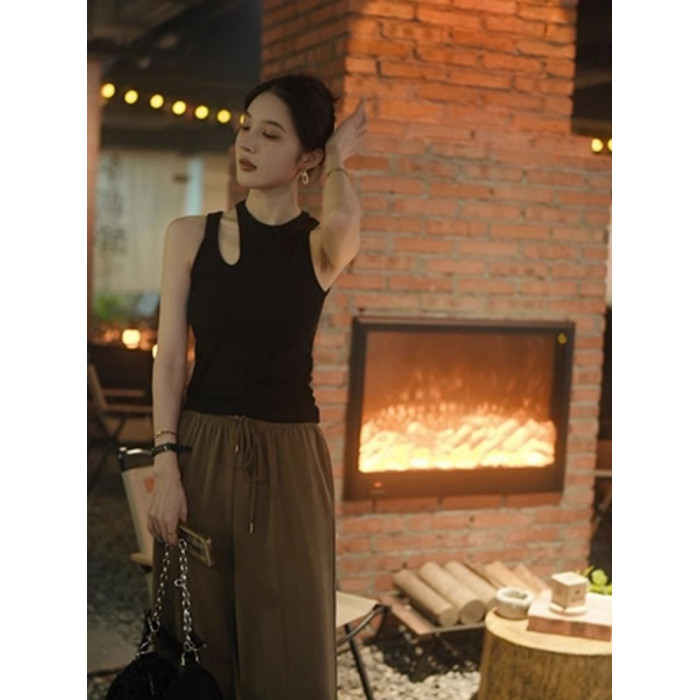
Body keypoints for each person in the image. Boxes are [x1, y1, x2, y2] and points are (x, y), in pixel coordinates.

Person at [146, 73, 368, 698]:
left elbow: (345, 215)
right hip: (201, 448)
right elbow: (170, 359)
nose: (247, 143)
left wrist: (339, 157)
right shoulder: (188, 235)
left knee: (288, 636)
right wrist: (166, 465)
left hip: (290, 460)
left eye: (271, 135)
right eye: (246, 127)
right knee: (199, 639)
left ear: (306, 159)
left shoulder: (320, 246)